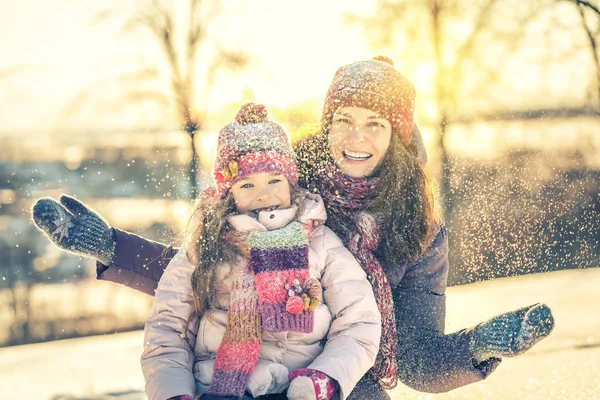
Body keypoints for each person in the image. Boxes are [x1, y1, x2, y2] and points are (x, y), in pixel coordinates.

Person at [33, 56, 555, 399]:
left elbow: (414, 354)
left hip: (342, 379)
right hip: (237, 367)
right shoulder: (280, 180)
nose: (357, 136)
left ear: (395, 135)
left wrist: (476, 348)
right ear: (326, 124)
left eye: (375, 123)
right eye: (344, 119)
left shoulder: (417, 228)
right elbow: (205, 275)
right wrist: (112, 247)